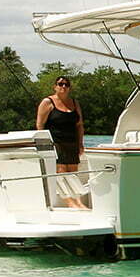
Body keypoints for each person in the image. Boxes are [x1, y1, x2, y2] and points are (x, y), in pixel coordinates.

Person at [35, 75, 88, 209]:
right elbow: (40, 125)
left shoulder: (75, 103)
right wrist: (44, 145)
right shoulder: (47, 102)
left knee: (73, 173)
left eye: (66, 84)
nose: (63, 86)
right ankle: (70, 202)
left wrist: (80, 143)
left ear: (69, 87)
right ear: (55, 86)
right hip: (55, 142)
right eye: (60, 84)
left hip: (72, 142)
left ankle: (78, 202)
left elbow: (79, 124)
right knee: (61, 172)